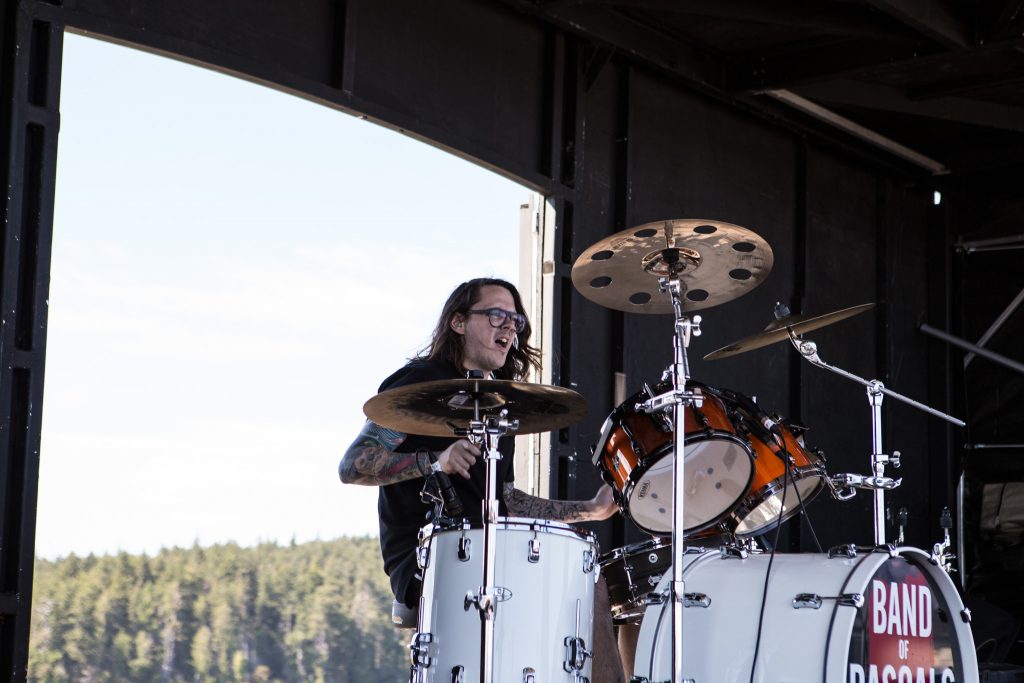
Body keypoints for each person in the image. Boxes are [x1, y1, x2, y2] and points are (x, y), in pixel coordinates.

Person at [339, 277, 623, 683]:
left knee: (587, 582)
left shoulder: (495, 404)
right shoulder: (420, 384)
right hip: (431, 559)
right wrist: (434, 461)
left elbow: (505, 499)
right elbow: (352, 465)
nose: (508, 327)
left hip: (494, 550)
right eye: (496, 315)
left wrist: (589, 511)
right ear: (458, 322)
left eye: (515, 320)